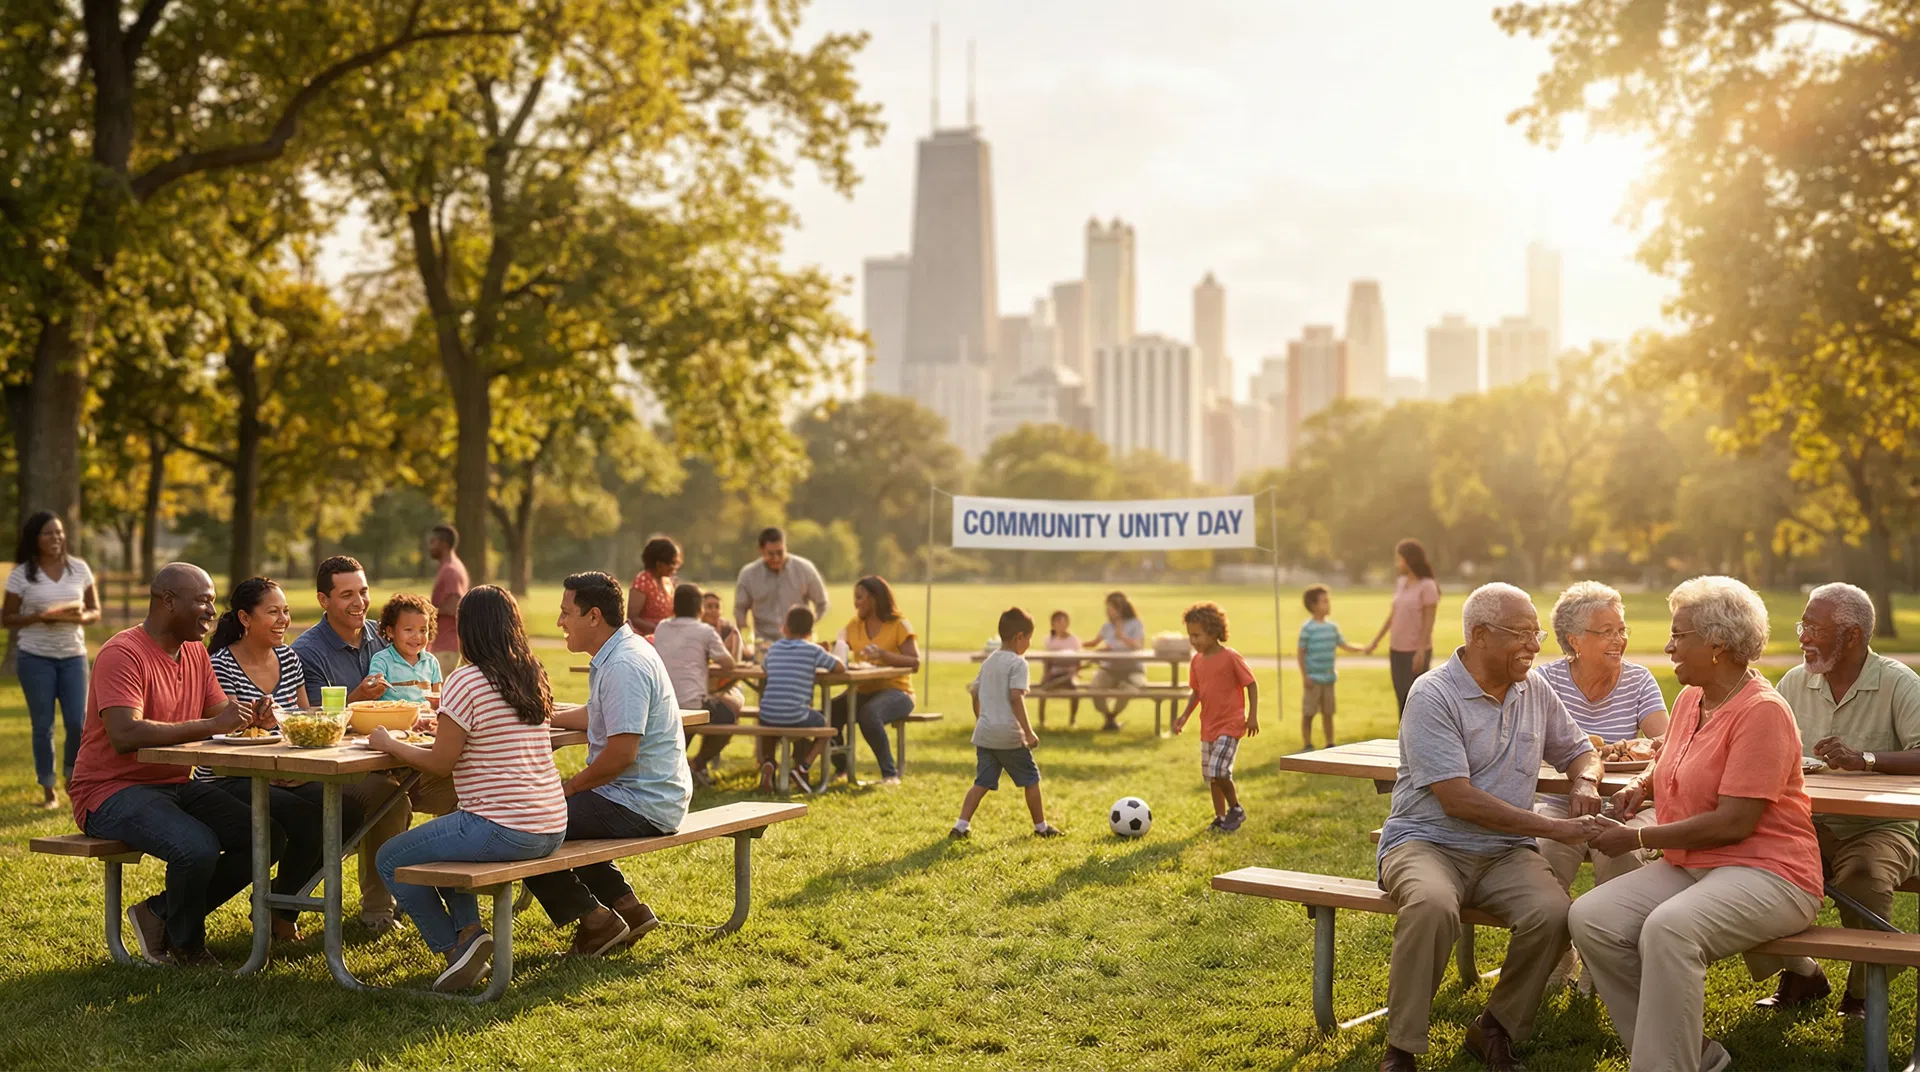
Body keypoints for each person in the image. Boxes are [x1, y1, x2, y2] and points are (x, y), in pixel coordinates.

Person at [1572, 576, 1824, 1072]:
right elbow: (1669, 753)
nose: (1667, 646)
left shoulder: (1763, 712)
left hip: (1771, 873)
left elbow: (1733, 823)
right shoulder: (1692, 698)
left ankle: (1663, 1066)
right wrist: (1640, 786)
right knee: (1591, 917)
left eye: (1678, 635)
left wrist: (1637, 835)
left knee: (1670, 930)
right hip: (1696, 864)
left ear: (1718, 645)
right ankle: (1698, 1056)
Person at [1374, 582, 1606, 1072]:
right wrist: (1558, 830)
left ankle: (1495, 1028)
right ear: (1479, 635)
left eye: (1535, 632)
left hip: (1505, 852)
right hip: (1426, 841)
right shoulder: (1433, 694)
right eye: (1521, 634)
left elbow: (1580, 749)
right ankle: (1402, 1047)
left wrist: (1585, 781)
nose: (1535, 645)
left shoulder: (1533, 687)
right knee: (1433, 905)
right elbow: (1456, 799)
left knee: (1554, 912)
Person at [66, 563, 278, 967]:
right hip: (109, 791)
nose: (212, 612)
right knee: (195, 848)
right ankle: (188, 946)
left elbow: (221, 713)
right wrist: (213, 724)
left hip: (173, 783)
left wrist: (253, 716)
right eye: (202, 601)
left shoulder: (195, 653)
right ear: (167, 601)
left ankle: (159, 914)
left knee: (263, 835)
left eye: (213, 602)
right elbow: (124, 734)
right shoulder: (122, 653)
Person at [371, 586, 568, 992]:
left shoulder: (467, 679)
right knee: (445, 835)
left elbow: (441, 763)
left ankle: (453, 953)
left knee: (390, 857)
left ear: (468, 629)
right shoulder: (532, 673)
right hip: (551, 823)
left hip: (502, 827)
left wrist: (390, 744)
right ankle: (470, 934)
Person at [1766, 582, 1920, 1018]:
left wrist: (1866, 759)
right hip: (1804, 821)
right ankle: (1801, 973)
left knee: (1864, 878)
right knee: (1745, 865)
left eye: (1814, 627)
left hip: (1881, 827)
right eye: (1803, 625)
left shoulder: (1898, 683)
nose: (1803, 637)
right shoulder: (1794, 682)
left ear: (1852, 636)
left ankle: (1863, 991)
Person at [522, 572, 693, 955]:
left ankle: (596, 921)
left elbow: (621, 754)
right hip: (648, 794)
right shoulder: (620, 653)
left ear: (594, 616)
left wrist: (567, 788)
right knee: (556, 815)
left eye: (566, 613)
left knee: (527, 824)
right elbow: (600, 714)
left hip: (641, 802)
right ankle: (627, 908)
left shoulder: (623, 666)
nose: (560, 622)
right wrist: (544, 714)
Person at [291, 555, 455, 933]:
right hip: (342, 769)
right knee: (388, 796)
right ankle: (379, 910)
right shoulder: (310, 651)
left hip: (400, 756)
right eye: (346, 594)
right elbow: (315, 722)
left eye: (363, 592)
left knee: (463, 784)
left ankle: (459, 892)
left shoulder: (383, 636)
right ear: (323, 600)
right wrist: (356, 696)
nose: (358, 602)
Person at [204, 577, 364, 941]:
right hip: (231, 776)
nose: (283, 620)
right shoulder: (222, 665)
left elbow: (304, 721)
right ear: (245, 618)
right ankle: (280, 911)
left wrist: (295, 761)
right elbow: (226, 732)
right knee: (309, 820)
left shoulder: (289, 658)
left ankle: (282, 904)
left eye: (286, 611)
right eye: (273, 612)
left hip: (286, 771)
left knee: (350, 813)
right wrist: (256, 722)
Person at [1532, 581, 1669, 991]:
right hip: (1559, 801)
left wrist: (1644, 746)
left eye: (1621, 629)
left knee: (1621, 850)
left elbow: (1666, 745)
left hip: (1626, 804)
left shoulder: (1639, 681)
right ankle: (1560, 952)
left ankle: (1603, 955)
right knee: (1546, 857)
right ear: (1574, 640)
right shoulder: (1545, 682)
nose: (1619, 639)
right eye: (1606, 631)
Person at [4, 511, 100, 808]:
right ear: (35, 539)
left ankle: (72, 777)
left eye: (59, 532)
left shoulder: (79, 569)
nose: (56, 538)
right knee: (42, 724)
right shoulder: (22, 575)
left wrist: (80, 616)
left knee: (77, 722)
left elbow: (95, 611)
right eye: (49, 533)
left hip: (73, 656)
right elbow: (6, 618)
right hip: (35, 658)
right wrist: (38, 618)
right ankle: (48, 788)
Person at [951, 607, 1064, 840]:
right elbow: (1016, 697)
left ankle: (960, 826)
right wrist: (1028, 732)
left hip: (985, 733)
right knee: (1031, 780)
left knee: (981, 782)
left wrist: (981, 720)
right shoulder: (1018, 663)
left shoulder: (989, 661)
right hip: (1009, 736)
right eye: (1029, 639)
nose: (1030, 644)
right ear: (1019, 637)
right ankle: (1041, 827)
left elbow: (974, 693)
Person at [1173, 602, 1259, 834]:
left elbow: (1251, 684)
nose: (1192, 640)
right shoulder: (1197, 661)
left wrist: (1252, 716)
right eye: (1190, 635)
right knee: (1212, 776)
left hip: (1230, 724)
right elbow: (1197, 692)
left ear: (1213, 632)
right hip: (1208, 727)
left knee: (1219, 770)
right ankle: (1221, 818)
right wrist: (1183, 717)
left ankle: (1236, 809)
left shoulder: (1230, 657)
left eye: (1197, 635)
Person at [827, 576, 921, 786]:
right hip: (862, 688)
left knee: (869, 714)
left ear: (875, 598)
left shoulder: (898, 624)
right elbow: (839, 648)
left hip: (898, 691)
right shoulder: (854, 625)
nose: (856, 603)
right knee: (829, 711)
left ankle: (890, 774)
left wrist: (883, 655)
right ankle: (842, 769)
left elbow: (914, 663)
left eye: (860, 597)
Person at [653, 583, 738, 786]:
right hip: (692, 705)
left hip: (661, 703)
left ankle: (681, 766)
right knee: (729, 715)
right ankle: (697, 763)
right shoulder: (705, 631)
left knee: (690, 716)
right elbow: (728, 663)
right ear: (700, 608)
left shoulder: (662, 627)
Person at [755, 606, 843, 791]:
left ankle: (769, 762)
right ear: (810, 631)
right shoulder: (813, 650)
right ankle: (803, 767)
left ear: (785, 628)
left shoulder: (775, 647)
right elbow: (839, 667)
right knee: (826, 728)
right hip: (796, 715)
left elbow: (765, 668)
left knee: (771, 718)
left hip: (767, 714)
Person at [1366, 537, 1440, 716]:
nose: (1396, 563)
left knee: (1415, 699)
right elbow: (1393, 615)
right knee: (1401, 698)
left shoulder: (1428, 586)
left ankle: (1419, 739)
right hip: (1396, 650)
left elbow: (1429, 621)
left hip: (1414, 651)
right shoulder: (1401, 583)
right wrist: (1375, 641)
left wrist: (1421, 650)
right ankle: (1404, 740)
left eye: (1399, 558)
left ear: (1408, 559)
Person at [733, 526, 830, 648]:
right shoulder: (748, 574)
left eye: (780, 552)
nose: (776, 558)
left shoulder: (805, 569)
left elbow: (822, 603)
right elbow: (740, 609)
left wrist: (807, 624)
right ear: (761, 550)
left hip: (799, 642)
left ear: (786, 546)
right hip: (764, 644)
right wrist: (747, 639)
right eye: (771, 554)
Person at [1297, 584, 1363, 751]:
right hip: (1313, 679)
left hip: (1329, 679)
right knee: (1309, 712)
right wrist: (1305, 676)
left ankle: (1330, 742)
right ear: (1314, 606)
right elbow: (1301, 653)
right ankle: (1307, 742)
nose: (1328, 604)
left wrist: (1363, 648)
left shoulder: (1332, 628)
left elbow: (1344, 645)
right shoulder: (1307, 629)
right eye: (1324, 601)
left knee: (1328, 712)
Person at [1084, 591, 1147, 732]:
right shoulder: (1107, 626)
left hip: (1132, 668)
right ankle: (1110, 718)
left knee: (1129, 690)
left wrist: (1122, 636)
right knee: (1094, 690)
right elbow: (1097, 643)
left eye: (1111, 607)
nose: (1107, 611)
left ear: (1120, 608)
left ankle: (1112, 717)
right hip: (1110, 668)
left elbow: (1138, 646)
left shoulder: (1135, 623)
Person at [368, 593, 445, 703]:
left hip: (425, 718)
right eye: (408, 630)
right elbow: (371, 687)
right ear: (390, 631)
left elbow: (437, 698)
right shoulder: (382, 660)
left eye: (423, 630)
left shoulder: (431, 662)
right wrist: (376, 683)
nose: (417, 636)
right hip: (392, 718)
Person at [427, 524, 468, 676]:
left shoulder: (451, 570)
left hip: (447, 648)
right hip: (444, 646)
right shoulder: (448, 567)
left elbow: (453, 607)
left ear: (444, 544)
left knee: (440, 697)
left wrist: (426, 611)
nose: (430, 546)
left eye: (433, 542)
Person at [700, 590, 746, 716]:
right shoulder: (695, 631)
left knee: (733, 708)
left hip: (727, 684)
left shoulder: (728, 630)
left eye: (717, 607)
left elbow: (735, 661)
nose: (714, 610)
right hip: (700, 688)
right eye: (709, 607)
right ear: (700, 609)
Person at [626, 536, 681, 638]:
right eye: (672, 563)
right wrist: (657, 629)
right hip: (645, 639)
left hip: (665, 638)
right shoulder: (642, 580)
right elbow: (633, 618)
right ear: (659, 564)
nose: (675, 568)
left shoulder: (667, 581)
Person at [1037, 610, 1083, 727]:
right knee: (1042, 689)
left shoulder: (1074, 640)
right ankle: (1042, 720)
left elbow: (1079, 660)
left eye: (1064, 622)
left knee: (1075, 690)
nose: (1061, 625)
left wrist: (1075, 672)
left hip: (1069, 674)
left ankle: (1073, 719)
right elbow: (1047, 661)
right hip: (1054, 673)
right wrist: (1046, 674)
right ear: (1053, 625)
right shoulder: (1049, 640)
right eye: (1058, 622)